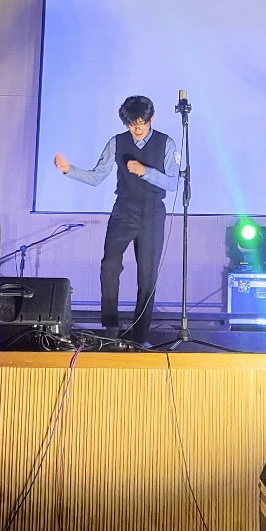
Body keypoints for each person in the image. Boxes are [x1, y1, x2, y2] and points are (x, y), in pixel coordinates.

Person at [54, 95, 180, 345]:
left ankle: (140, 337)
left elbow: (173, 182)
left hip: (153, 213)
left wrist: (146, 172)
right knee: (109, 265)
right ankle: (111, 326)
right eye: (132, 124)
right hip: (124, 210)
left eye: (142, 124)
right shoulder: (117, 142)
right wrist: (69, 170)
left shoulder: (166, 143)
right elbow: (97, 176)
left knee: (147, 277)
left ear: (152, 119)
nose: (137, 129)